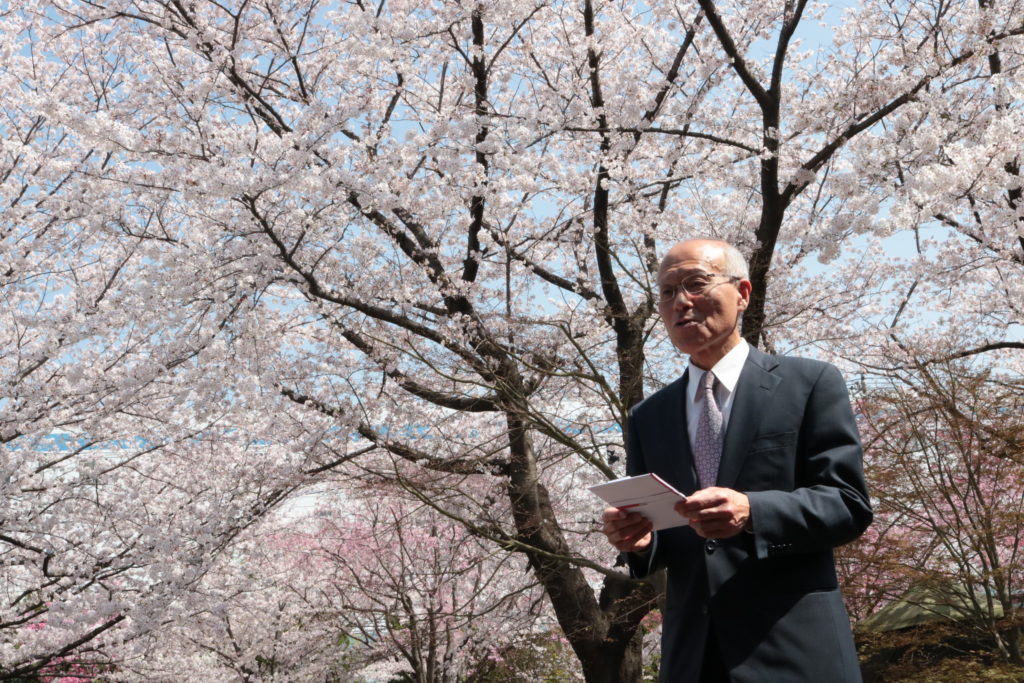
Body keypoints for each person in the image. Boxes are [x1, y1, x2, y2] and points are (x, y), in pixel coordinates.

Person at [601, 239, 872, 682]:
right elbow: (669, 535)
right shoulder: (648, 416)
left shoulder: (809, 384)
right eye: (667, 292)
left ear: (742, 293)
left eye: (695, 283)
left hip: (795, 650)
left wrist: (754, 511)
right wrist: (640, 540)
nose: (680, 302)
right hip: (693, 656)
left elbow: (848, 504)